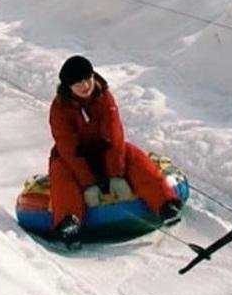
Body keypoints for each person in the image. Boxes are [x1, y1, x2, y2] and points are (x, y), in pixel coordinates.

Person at [47, 55, 179, 249]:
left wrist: (115, 175)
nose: (85, 85)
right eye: (78, 83)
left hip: (105, 152)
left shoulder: (104, 97)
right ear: (68, 87)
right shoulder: (59, 108)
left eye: (88, 78)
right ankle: (69, 223)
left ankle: (165, 203)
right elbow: (68, 148)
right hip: (76, 157)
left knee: (133, 155)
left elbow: (114, 136)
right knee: (60, 171)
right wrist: (89, 183)